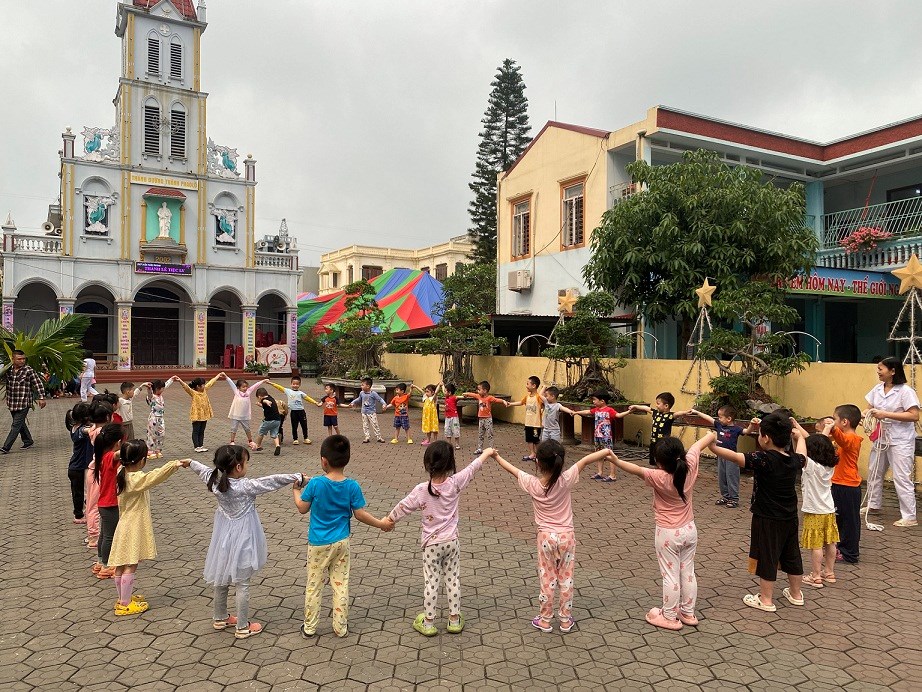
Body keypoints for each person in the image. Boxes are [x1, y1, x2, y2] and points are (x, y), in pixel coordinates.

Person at [492, 442, 612, 633]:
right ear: (561, 461)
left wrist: (496, 456)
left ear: (538, 462)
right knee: (566, 579)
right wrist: (606, 451)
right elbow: (585, 460)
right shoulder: (566, 479)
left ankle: (545, 620)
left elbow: (512, 469)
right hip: (567, 537)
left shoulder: (532, 483)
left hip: (545, 538)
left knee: (547, 579)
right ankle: (565, 620)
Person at [188, 445, 305, 639]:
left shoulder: (214, 481)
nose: (248, 465)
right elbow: (272, 481)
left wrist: (190, 462)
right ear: (238, 467)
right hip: (243, 539)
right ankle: (242, 627)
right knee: (242, 583)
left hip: (223, 537)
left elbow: (203, 470)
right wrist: (297, 477)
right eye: (246, 462)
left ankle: (220, 617)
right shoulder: (245, 486)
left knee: (221, 579)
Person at [611, 433, 716, 630]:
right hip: (690, 530)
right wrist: (713, 437)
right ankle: (688, 612)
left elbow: (636, 470)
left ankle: (668, 616)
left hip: (667, 533)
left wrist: (615, 461)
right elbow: (700, 443)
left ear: (659, 463)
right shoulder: (690, 465)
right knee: (688, 572)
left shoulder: (658, 476)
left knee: (670, 575)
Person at [383, 442, 489, 636]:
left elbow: (403, 506)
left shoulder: (421, 490)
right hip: (452, 542)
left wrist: (388, 520)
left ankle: (429, 623)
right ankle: (454, 620)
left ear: (427, 464)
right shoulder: (455, 483)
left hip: (431, 545)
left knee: (431, 582)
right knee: (453, 580)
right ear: (450, 464)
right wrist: (487, 453)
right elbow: (472, 468)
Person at [293, 435, 390, 637]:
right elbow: (360, 514)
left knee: (314, 586)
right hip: (341, 542)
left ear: (324, 461)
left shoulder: (316, 484)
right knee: (340, 585)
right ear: (347, 460)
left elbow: (302, 508)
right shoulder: (352, 486)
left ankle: (310, 628)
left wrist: (295, 490)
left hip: (318, 544)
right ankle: (340, 627)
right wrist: (381, 523)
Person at [709, 412, 805, 612]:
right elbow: (803, 453)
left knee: (767, 555)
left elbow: (735, 457)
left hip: (766, 517)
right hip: (790, 517)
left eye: (760, 433)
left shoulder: (763, 459)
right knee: (792, 553)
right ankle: (796, 594)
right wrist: (799, 437)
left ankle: (766, 599)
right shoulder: (793, 460)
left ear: (766, 438)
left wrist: (713, 447)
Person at [107, 443, 190, 615]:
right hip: (133, 525)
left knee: (121, 564)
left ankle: (122, 598)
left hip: (124, 524)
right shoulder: (135, 479)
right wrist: (173, 465)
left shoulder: (122, 472)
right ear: (141, 461)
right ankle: (125, 603)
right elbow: (154, 476)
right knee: (131, 564)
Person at [864, 356, 919, 527]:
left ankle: (909, 516)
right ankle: (873, 505)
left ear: (893, 371)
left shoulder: (906, 391)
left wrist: (885, 414)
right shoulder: (877, 389)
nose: (878, 372)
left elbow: (914, 415)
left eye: (881, 369)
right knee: (874, 471)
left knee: (901, 477)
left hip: (901, 440)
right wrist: (864, 416)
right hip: (881, 437)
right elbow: (868, 408)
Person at [791, 429, 840, 588]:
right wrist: (797, 438)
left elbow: (800, 456)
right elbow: (801, 452)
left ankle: (816, 576)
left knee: (816, 545)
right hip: (829, 510)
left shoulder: (811, 466)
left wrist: (799, 437)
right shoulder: (829, 467)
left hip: (814, 512)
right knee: (830, 542)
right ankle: (829, 572)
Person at [819, 405, 864, 563]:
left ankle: (849, 553)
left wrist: (832, 429)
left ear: (844, 422)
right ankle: (839, 547)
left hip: (848, 486)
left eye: (835, 419)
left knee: (849, 521)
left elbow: (843, 440)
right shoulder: (842, 438)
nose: (833, 422)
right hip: (839, 484)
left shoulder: (852, 438)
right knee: (839, 518)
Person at [689, 405, 756, 509]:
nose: (718, 419)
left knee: (732, 476)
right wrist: (697, 412)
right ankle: (725, 497)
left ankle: (734, 499)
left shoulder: (736, 429)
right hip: (720, 457)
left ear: (729, 419)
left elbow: (747, 432)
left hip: (732, 458)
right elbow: (708, 418)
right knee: (722, 477)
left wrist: (752, 424)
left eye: (720, 417)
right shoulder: (719, 425)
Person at [573, 391, 631, 482]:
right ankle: (600, 473)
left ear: (602, 401)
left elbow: (618, 415)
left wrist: (629, 411)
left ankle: (613, 475)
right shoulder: (596, 409)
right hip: (597, 436)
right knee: (599, 454)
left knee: (609, 455)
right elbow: (587, 412)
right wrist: (576, 412)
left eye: (595, 400)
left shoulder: (609, 410)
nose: (593, 401)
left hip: (606, 436)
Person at [93, 423, 125, 580]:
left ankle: (100, 561)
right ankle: (106, 565)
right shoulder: (109, 457)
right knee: (109, 536)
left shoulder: (102, 456)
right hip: (110, 503)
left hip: (104, 503)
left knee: (104, 534)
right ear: (118, 442)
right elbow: (118, 455)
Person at [1, 350, 47, 455]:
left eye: (23, 359)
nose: (22, 361)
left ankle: (6, 447)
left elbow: (38, 383)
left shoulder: (28, 370)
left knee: (15, 425)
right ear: (13, 359)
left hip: (24, 402)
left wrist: (41, 398)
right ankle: (28, 441)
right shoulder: (8, 370)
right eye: (19, 359)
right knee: (20, 423)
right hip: (12, 402)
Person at [630, 392, 693, 467]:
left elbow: (678, 413)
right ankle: (654, 469)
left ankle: (662, 469)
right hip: (653, 442)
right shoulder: (655, 413)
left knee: (662, 461)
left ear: (666, 406)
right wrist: (635, 406)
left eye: (658, 403)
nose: (656, 405)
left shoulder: (670, 416)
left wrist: (686, 412)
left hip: (663, 444)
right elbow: (646, 408)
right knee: (652, 461)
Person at [85, 402, 113, 549]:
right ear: (108, 417)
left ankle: (93, 535)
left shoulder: (93, 430)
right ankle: (94, 536)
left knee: (91, 505)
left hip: (93, 469)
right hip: (100, 471)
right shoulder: (103, 433)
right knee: (96, 505)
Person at [175, 375, 221, 453]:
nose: (204, 386)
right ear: (198, 386)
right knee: (196, 431)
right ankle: (196, 446)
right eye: (202, 385)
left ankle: (201, 445)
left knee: (202, 431)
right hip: (197, 415)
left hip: (204, 414)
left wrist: (218, 376)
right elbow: (186, 387)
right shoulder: (193, 393)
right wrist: (180, 381)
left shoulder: (204, 390)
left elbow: (211, 383)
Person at [224, 375, 270, 449]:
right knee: (233, 428)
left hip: (245, 415)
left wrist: (263, 381)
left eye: (246, 386)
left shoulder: (248, 392)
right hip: (235, 415)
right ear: (238, 387)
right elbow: (231, 383)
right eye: (243, 387)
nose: (245, 388)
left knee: (247, 429)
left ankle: (250, 441)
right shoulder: (236, 391)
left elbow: (255, 385)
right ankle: (232, 441)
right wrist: (226, 377)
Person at [270, 376, 318, 445]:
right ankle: (295, 439)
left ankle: (306, 438)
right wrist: (271, 383)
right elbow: (279, 387)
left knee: (304, 425)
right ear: (291, 384)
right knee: (294, 426)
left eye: (297, 384)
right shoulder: (288, 391)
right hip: (293, 412)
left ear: (299, 385)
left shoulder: (301, 393)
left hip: (301, 411)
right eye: (293, 384)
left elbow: (308, 398)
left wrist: (315, 402)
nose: (295, 385)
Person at [505, 376, 544, 461]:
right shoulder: (527, 397)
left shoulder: (538, 397)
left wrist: (543, 389)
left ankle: (539, 455)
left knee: (536, 440)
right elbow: (521, 402)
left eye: (528, 384)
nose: (526, 386)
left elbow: (544, 403)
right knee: (529, 439)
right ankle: (532, 454)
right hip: (528, 423)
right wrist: (511, 404)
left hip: (536, 425)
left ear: (534, 385)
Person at [66, 402, 93, 525]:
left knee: (80, 492)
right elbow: (88, 430)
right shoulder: (81, 430)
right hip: (78, 467)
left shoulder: (75, 427)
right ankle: (79, 515)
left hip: (78, 466)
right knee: (80, 493)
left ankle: (83, 513)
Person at [461, 381, 505, 454]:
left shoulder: (489, 398)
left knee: (489, 434)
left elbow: (496, 400)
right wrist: (466, 394)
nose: (477, 391)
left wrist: (503, 401)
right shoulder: (479, 396)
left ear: (485, 390)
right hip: (481, 419)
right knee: (480, 434)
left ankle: (491, 449)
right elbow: (473, 395)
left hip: (488, 419)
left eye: (479, 389)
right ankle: (479, 448)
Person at [139, 378, 175, 459]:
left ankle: (158, 449)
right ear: (156, 389)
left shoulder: (160, 395)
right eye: (161, 388)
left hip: (161, 418)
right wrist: (148, 388)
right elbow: (150, 394)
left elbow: (166, 385)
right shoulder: (152, 397)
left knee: (161, 434)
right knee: (151, 434)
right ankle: (150, 451)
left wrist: (172, 379)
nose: (162, 390)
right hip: (153, 418)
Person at [349, 377, 386, 444]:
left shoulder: (373, 393)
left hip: (371, 412)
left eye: (363, 385)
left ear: (368, 386)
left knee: (375, 424)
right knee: (365, 425)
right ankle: (367, 437)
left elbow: (380, 399)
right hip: (364, 412)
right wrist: (353, 402)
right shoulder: (361, 393)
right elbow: (359, 399)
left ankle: (379, 437)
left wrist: (384, 404)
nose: (361, 386)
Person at [254, 388, 282, 456]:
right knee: (274, 434)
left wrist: (265, 401)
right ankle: (277, 445)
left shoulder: (264, 400)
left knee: (261, 432)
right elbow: (267, 407)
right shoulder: (271, 398)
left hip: (269, 421)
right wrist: (260, 405)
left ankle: (258, 445)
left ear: (259, 397)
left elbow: (264, 401)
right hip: (277, 420)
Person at [443, 384, 461, 450]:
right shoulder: (446, 398)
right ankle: (449, 444)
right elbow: (444, 390)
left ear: (449, 392)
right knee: (447, 429)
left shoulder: (453, 398)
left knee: (456, 429)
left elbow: (458, 397)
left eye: (445, 391)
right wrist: (442, 385)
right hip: (447, 418)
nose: (444, 392)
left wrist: (465, 395)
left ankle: (457, 444)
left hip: (454, 418)